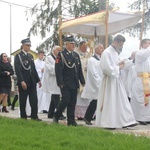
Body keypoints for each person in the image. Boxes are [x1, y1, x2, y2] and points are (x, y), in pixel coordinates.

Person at [95, 35, 137, 129]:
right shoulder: (107, 52)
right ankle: (108, 123)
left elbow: (118, 65)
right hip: (109, 81)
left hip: (116, 81)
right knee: (110, 102)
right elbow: (106, 68)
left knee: (122, 101)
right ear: (116, 42)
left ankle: (127, 121)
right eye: (120, 45)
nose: (121, 47)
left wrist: (130, 62)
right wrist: (119, 68)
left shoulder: (114, 52)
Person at [53, 36, 85, 126]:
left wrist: (82, 80)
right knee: (65, 100)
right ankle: (56, 115)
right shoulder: (61, 54)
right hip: (65, 82)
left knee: (72, 102)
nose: (73, 45)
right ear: (66, 44)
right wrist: (60, 82)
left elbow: (79, 70)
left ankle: (71, 121)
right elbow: (58, 69)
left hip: (74, 82)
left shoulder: (75, 55)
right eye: (71, 43)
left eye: (74, 44)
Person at [14, 38, 42, 121]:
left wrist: (38, 80)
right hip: (24, 82)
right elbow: (18, 70)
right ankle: (23, 116)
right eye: (27, 45)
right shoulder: (18, 56)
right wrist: (22, 81)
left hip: (32, 81)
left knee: (34, 100)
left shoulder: (30, 56)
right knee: (23, 100)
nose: (29, 47)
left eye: (30, 45)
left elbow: (33, 69)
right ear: (23, 45)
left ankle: (34, 116)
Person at [81, 44, 104, 125]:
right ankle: (87, 117)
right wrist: (99, 82)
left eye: (103, 48)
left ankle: (90, 117)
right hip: (96, 83)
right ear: (96, 49)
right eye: (101, 48)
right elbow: (93, 73)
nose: (102, 49)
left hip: (102, 81)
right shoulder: (92, 60)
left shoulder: (101, 59)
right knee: (95, 100)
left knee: (98, 101)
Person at [42, 46, 66, 120]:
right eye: (58, 50)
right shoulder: (49, 58)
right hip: (52, 79)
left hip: (57, 79)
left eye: (60, 50)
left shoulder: (60, 58)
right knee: (56, 95)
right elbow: (50, 68)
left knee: (55, 95)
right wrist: (59, 70)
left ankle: (50, 113)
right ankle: (59, 113)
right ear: (54, 51)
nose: (60, 51)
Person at [131, 38, 150, 125]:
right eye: (148, 43)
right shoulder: (139, 53)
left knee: (148, 99)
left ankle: (147, 117)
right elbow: (144, 56)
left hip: (148, 79)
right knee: (141, 98)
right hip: (141, 79)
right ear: (143, 44)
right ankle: (139, 117)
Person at [74, 41, 92, 120]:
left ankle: (89, 114)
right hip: (80, 77)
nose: (86, 48)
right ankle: (80, 114)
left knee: (88, 96)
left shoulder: (89, 55)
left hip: (88, 77)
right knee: (80, 97)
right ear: (80, 46)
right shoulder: (76, 54)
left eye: (87, 46)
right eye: (84, 46)